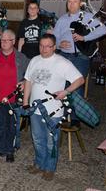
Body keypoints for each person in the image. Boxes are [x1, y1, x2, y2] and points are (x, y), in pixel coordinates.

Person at [23, 34, 84, 181]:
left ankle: (50, 168)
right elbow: (28, 82)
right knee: (37, 138)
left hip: (53, 111)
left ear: (54, 47)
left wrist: (66, 92)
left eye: (48, 46)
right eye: (41, 45)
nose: (44, 49)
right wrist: (25, 102)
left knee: (52, 141)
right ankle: (39, 163)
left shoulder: (62, 62)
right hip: (35, 109)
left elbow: (80, 79)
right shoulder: (34, 60)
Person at [0, 30, 30, 163]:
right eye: (2, 40)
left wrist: (24, 82)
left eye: (7, 40)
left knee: (11, 126)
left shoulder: (21, 58)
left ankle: (10, 150)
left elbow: (30, 76)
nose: (3, 43)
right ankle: (0, 148)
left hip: (14, 99)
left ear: (13, 41)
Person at [53, 0, 106, 96]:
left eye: (75, 2)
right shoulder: (62, 19)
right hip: (63, 56)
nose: (71, 4)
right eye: (69, 1)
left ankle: (76, 111)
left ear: (80, 4)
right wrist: (59, 44)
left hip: (80, 57)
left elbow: (103, 29)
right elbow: (55, 37)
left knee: (76, 89)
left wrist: (85, 38)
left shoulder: (87, 17)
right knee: (60, 86)